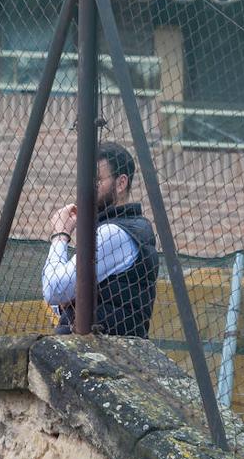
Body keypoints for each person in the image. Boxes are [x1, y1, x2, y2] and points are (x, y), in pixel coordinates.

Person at [41, 141, 159, 337]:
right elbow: (57, 299)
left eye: (96, 180)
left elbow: (54, 290)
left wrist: (60, 235)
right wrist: (68, 298)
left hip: (102, 350)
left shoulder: (114, 233)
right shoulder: (122, 228)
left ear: (121, 183)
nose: (87, 189)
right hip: (97, 348)